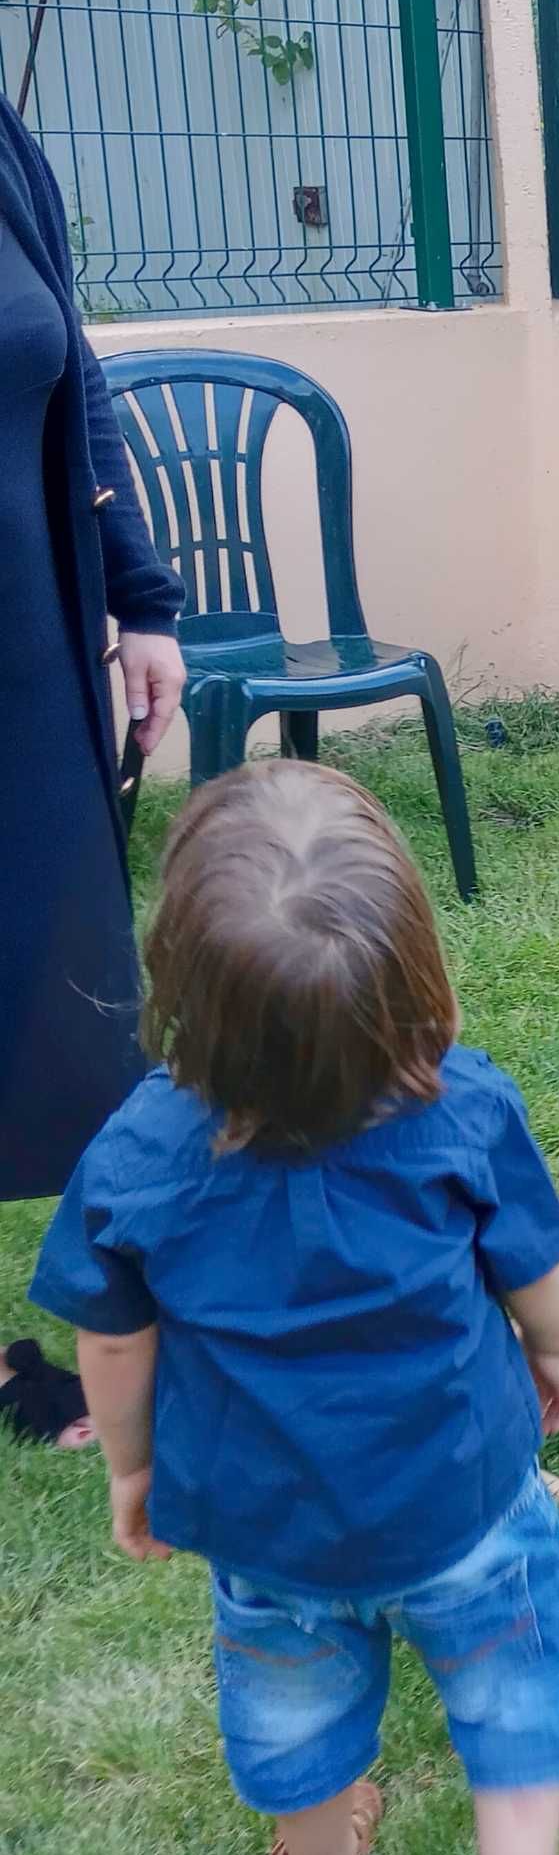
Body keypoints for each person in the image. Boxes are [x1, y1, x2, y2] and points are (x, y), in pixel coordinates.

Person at [29, 761, 559, 1855]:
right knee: (512, 1696)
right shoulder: (459, 1105)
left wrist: (132, 1473)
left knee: (293, 1718)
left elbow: (111, 1340)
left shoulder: (139, 1150)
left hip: (260, 1523)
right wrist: (556, 1353)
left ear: (178, 980)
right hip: (462, 1496)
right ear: (412, 967)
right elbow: (539, 1271)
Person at [1, 92, 185, 1441]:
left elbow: (74, 368)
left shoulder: (2, 140)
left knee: (66, 994)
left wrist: (143, 597)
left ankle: (112, 1330)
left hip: (28, 653)